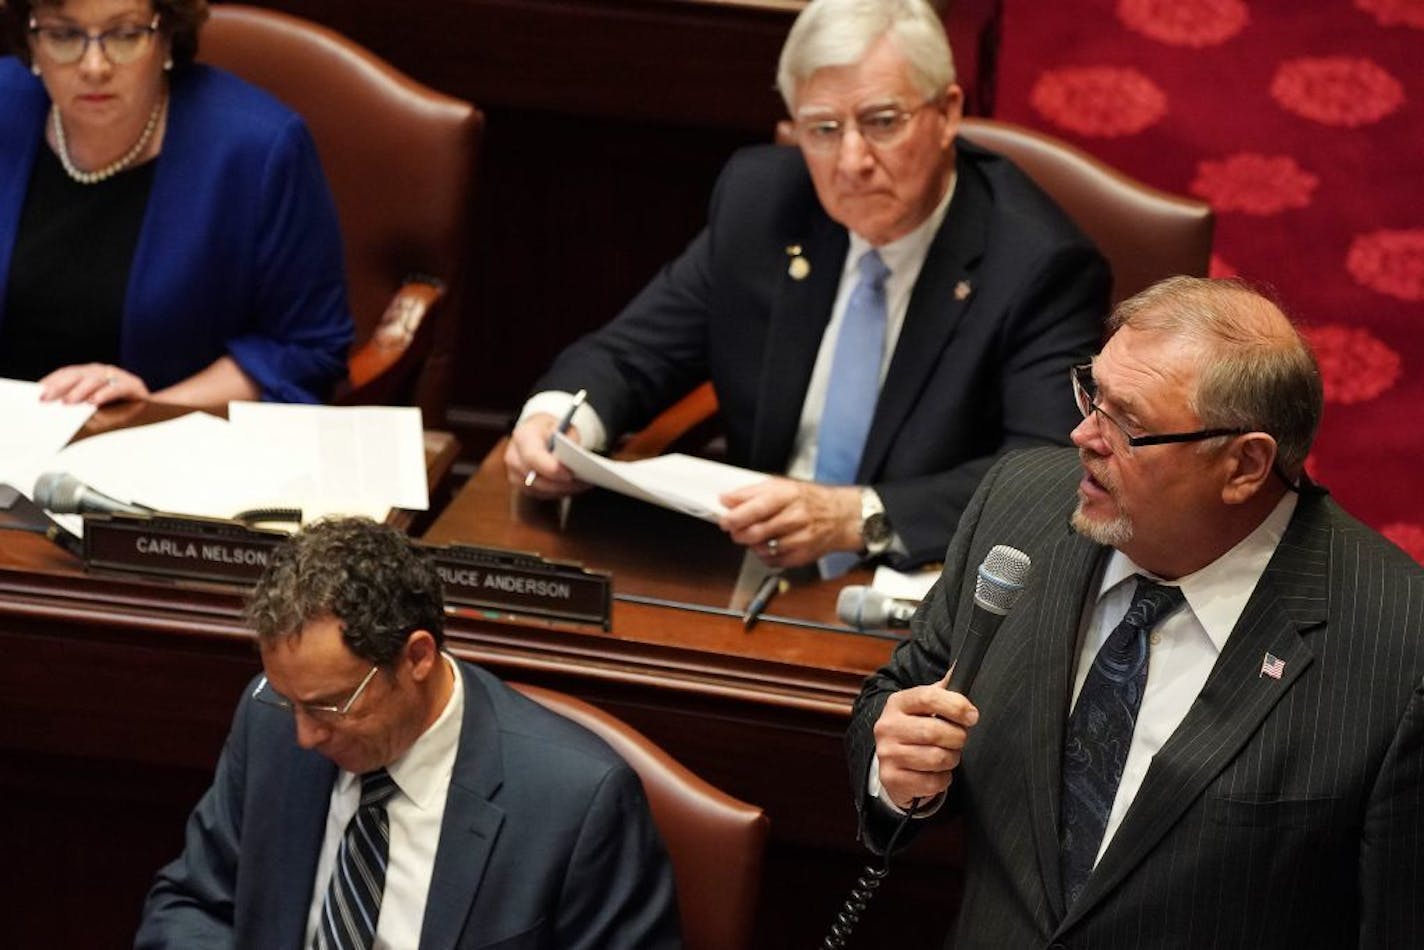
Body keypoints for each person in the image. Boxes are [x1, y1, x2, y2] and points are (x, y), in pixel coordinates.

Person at [846, 276, 1424, 947]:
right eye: (1093, 393)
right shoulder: (1018, 508)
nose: (1083, 434)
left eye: (1129, 423)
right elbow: (903, 694)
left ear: (1244, 465)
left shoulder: (1398, 652)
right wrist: (894, 772)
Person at [505, 0, 1108, 573]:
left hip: (923, 580)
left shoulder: (1037, 264)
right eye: (822, 129)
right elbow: (631, 353)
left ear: (948, 112)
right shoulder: (762, 203)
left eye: (881, 123)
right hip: (751, 557)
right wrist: (558, 423)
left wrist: (861, 515)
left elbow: (1046, 473)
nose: (851, 160)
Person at [134, 518, 681, 948]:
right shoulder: (268, 719)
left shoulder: (577, 803)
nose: (304, 735)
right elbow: (193, 903)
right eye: (289, 701)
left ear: (417, 657)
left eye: (330, 706)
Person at [0, 0, 353, 406]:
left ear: (166, 36)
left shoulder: (260, 148)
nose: (94, 66)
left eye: (126, 35)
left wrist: (152, 409)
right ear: (31, 41)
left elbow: (304, 349)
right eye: (63, 36)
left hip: (174, 443)